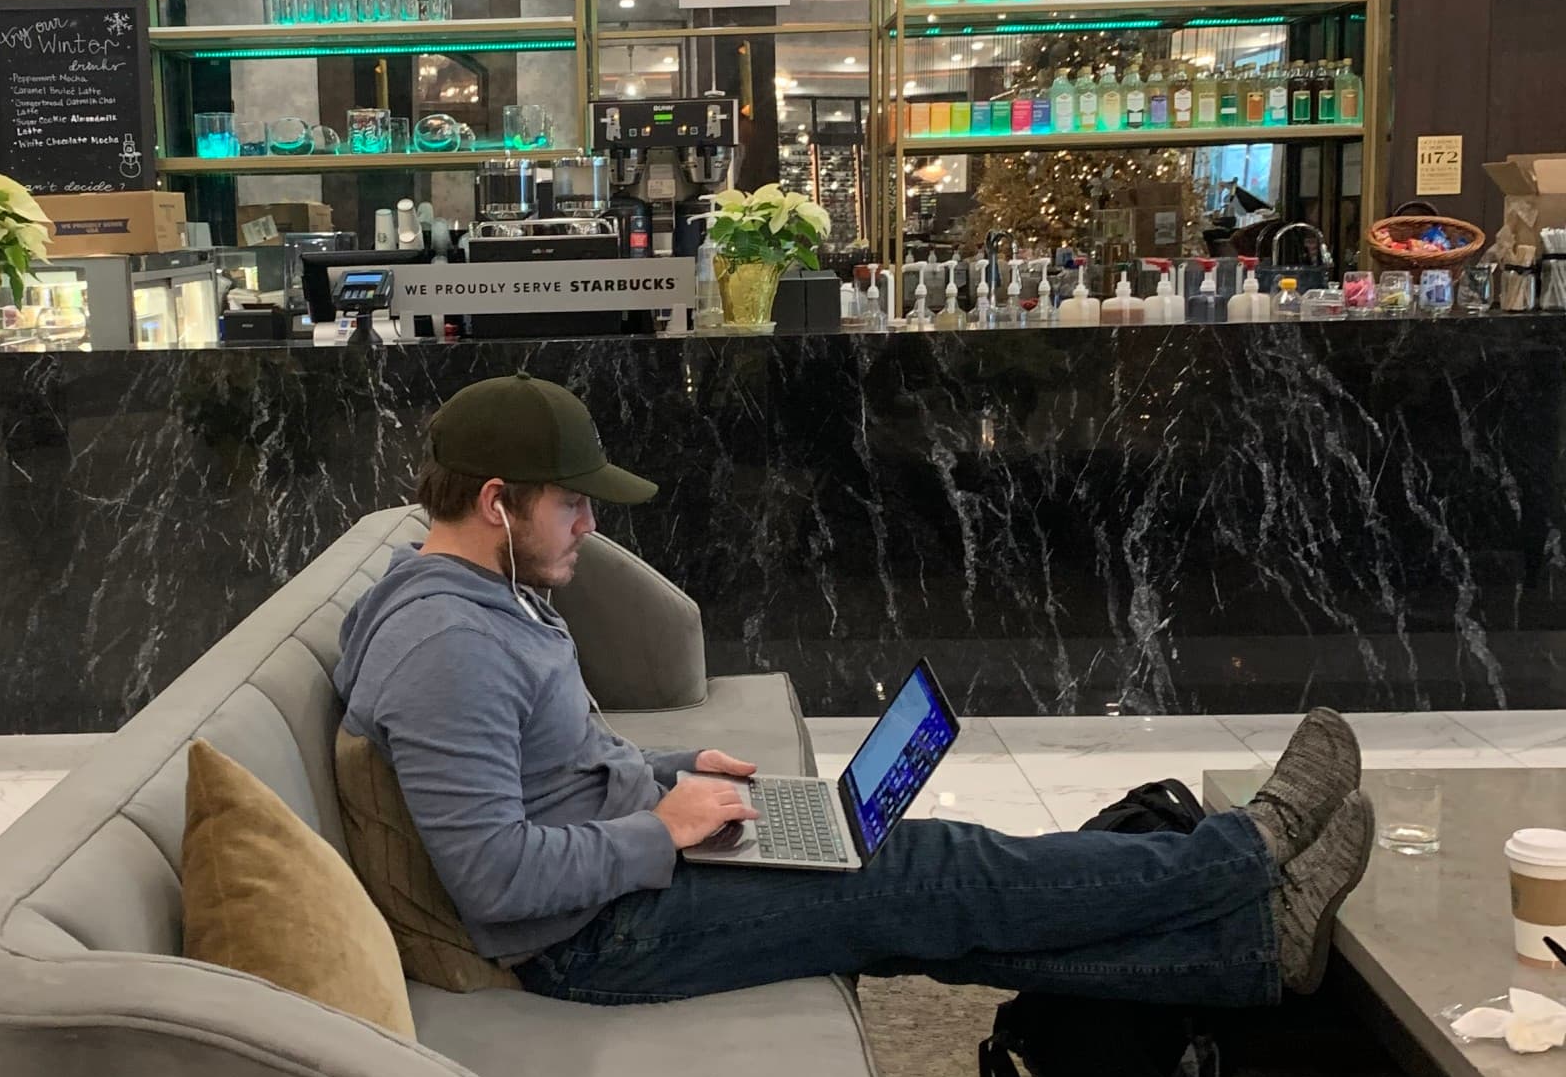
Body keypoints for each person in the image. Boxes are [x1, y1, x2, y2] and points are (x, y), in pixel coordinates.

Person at [334, 373, 1374, 1011]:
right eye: (571, 506)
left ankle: (1246, 949)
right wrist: (661, 828)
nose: (589, 529)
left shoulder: (486, 594)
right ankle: (1243, 855)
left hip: (620, 876)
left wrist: (672, 773)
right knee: (932, 868)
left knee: (929, 896)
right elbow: (496, 880)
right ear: (492, 503)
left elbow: (551, 768)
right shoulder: (445, 647)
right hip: (591, 941)